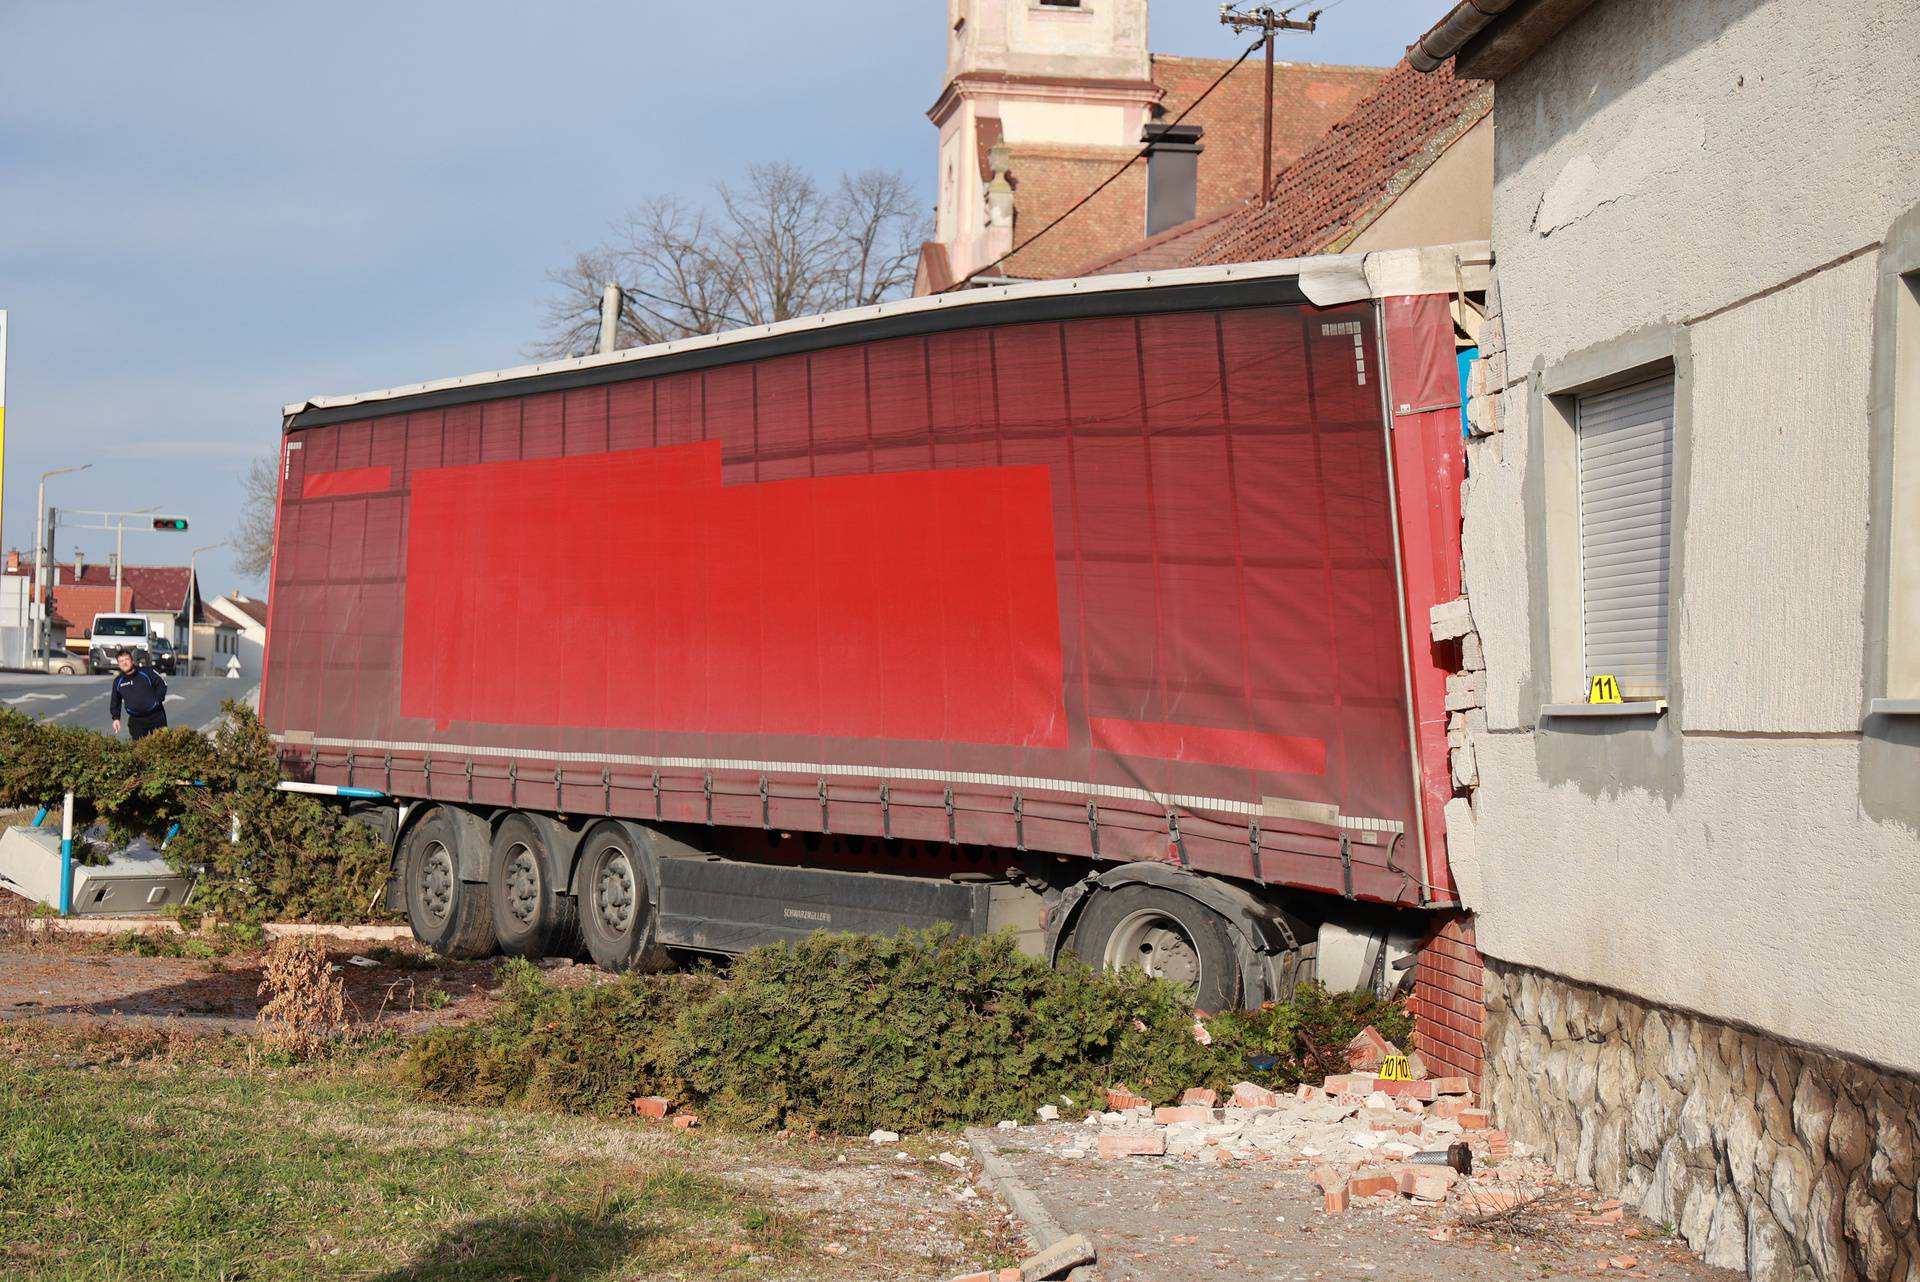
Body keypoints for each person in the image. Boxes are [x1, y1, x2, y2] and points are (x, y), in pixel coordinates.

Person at [109, 650, 168, 739]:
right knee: (138, 749)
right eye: (121, 661)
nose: (124, 662)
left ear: (132, 661)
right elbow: (115, 701)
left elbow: (162, 685)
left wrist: (157, 700)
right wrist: (116, 718)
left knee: (162, 744)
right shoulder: (118, 681)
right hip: (136, 720)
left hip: (156, 716)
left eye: (126, 659)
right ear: (118, 664)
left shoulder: (147, 672)